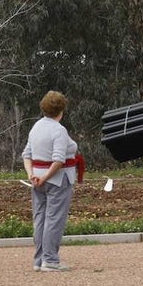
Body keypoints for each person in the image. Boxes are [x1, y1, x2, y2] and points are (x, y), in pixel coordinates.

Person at [22, 91, 81, 272]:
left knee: (40, 218)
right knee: (54, 219)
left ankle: (39, 260)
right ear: (61, 110)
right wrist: (46, 177)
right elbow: (58, 160)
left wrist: (32, 175)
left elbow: (27, 154)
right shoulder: (59, 130)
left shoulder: (36, 127)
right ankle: (50, 260)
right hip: (57, 179)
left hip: (37, 179)